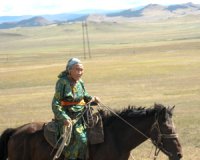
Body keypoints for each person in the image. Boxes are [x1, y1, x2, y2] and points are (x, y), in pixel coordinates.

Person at [52, 58, 100, 160]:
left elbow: (85, 96)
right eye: (77, 69)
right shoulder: (62, 82)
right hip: (68, 118)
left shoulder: (80, 82)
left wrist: (94, 99)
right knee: (82, 139)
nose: (80, 72)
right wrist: (64, 118)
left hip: (82, 115)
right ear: (69, 70)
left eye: (81, 70)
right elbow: (55, 103)